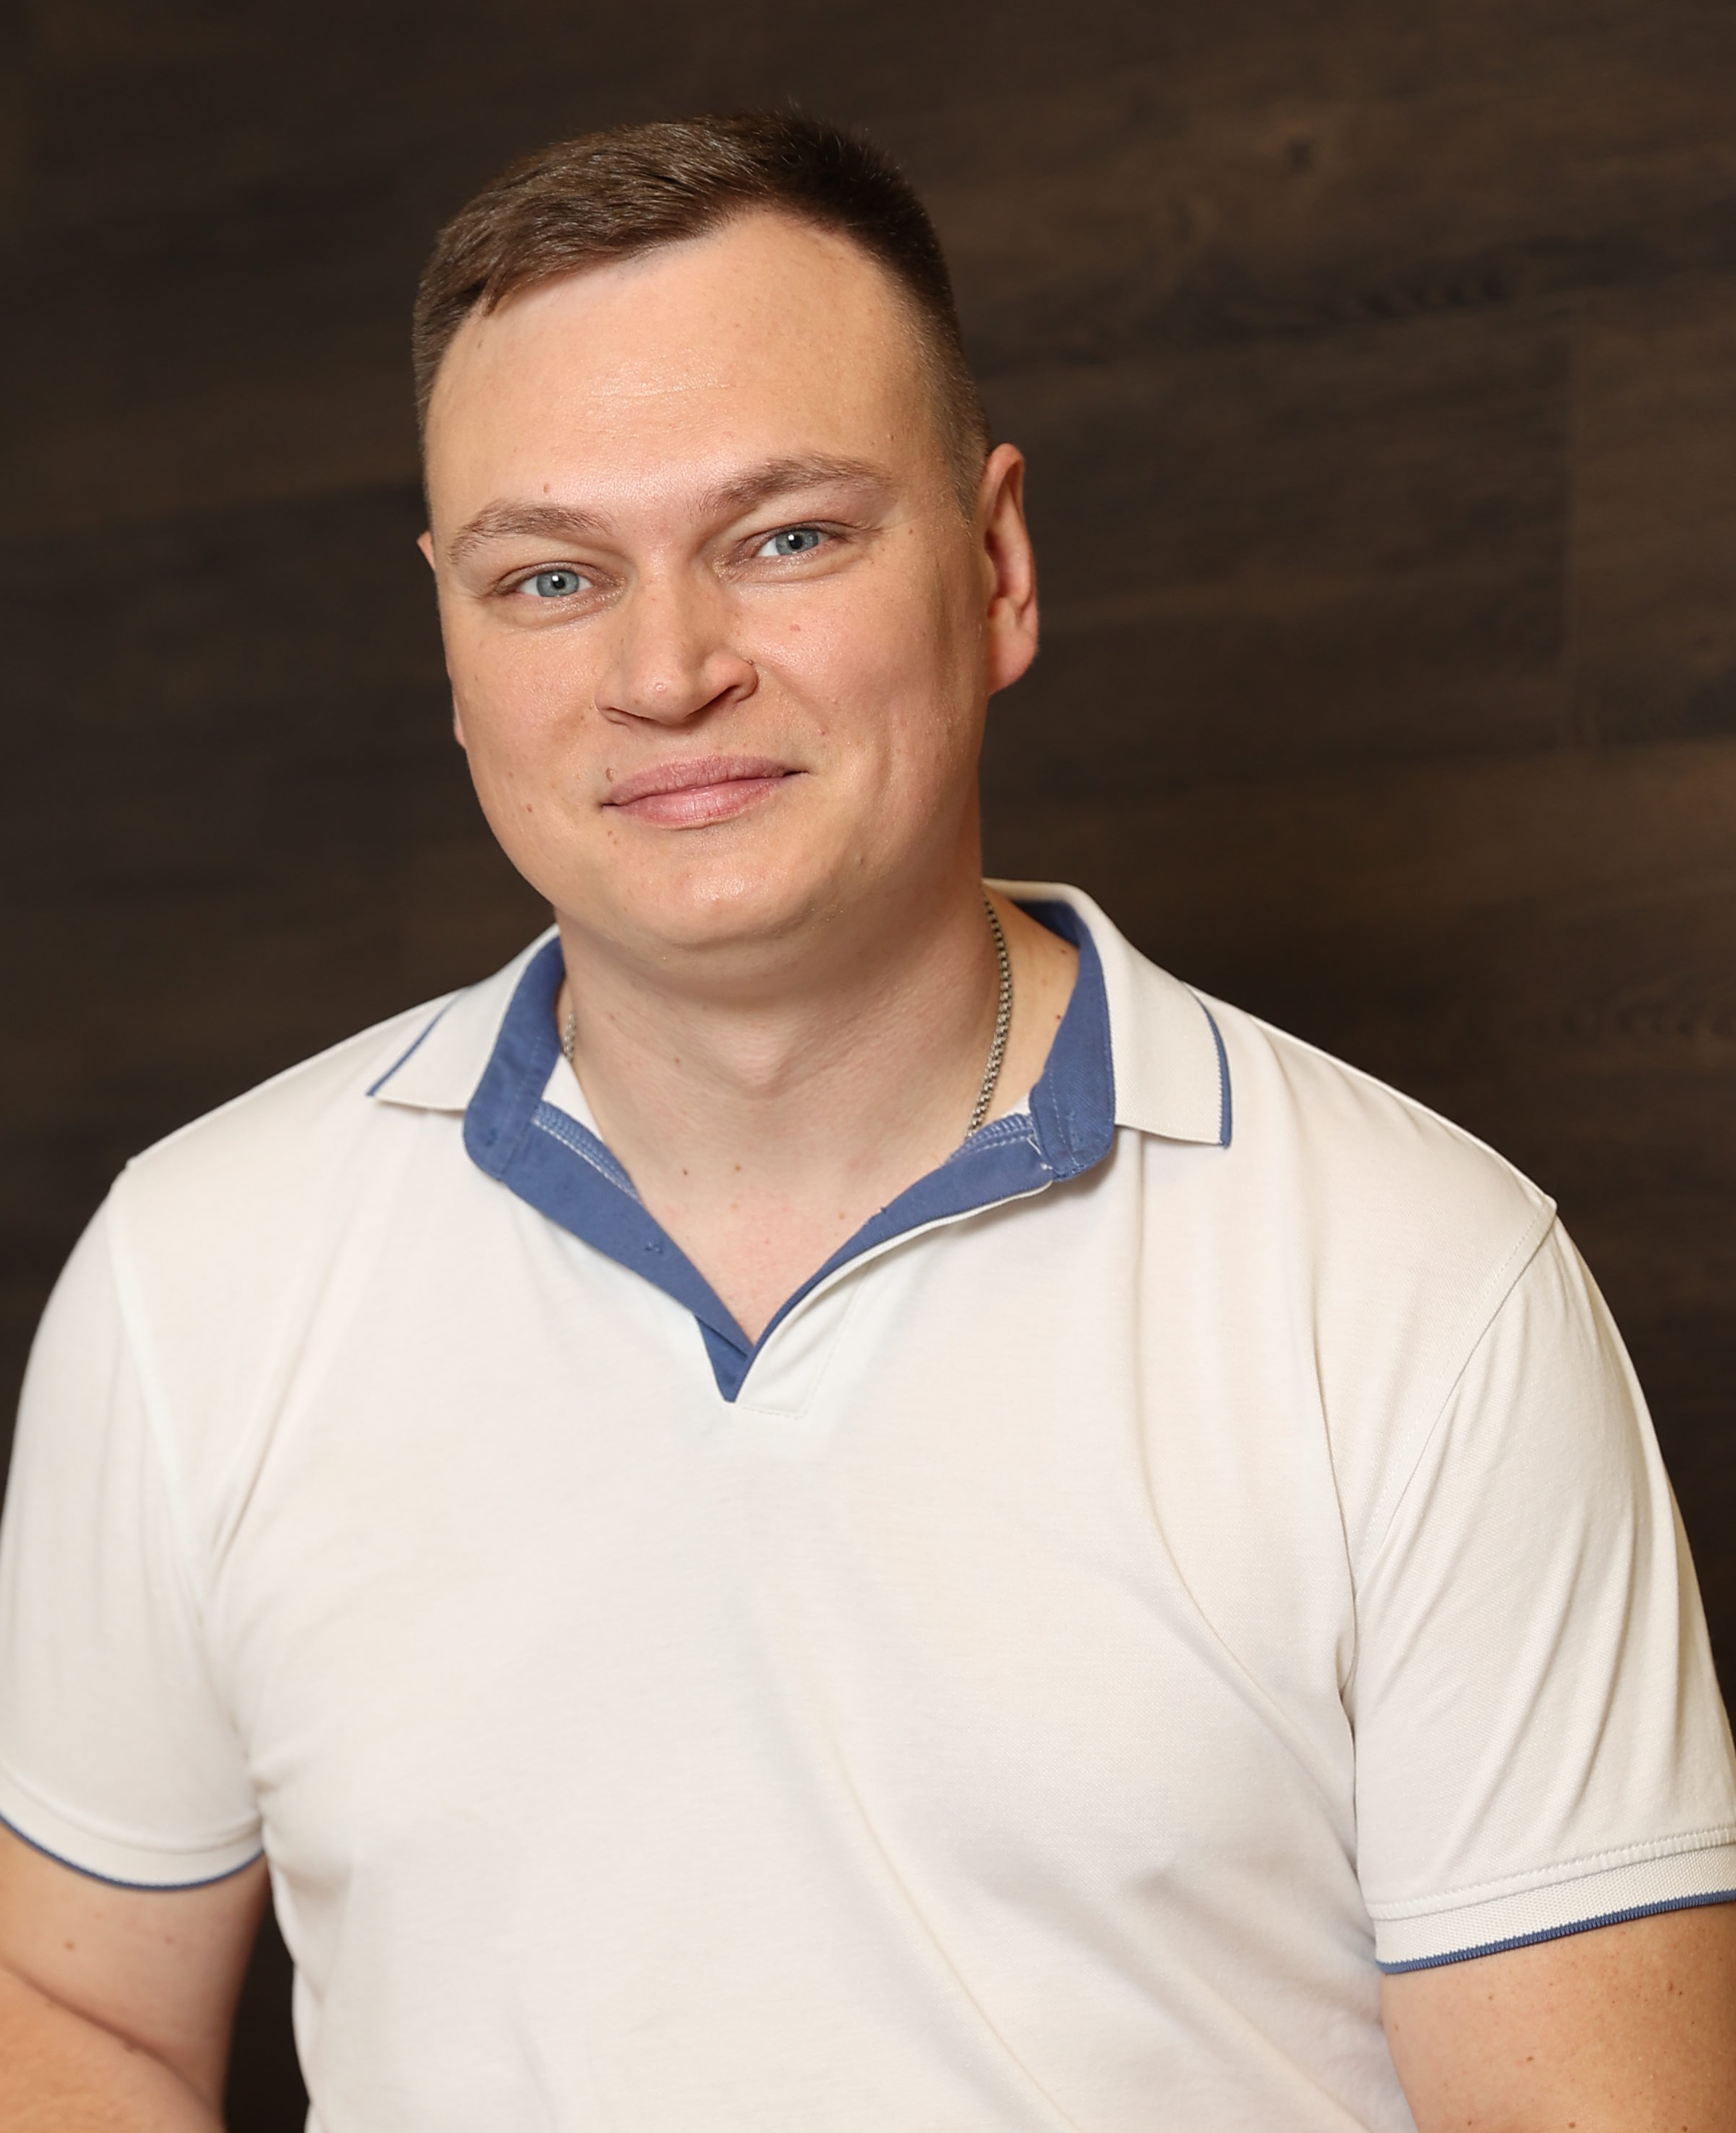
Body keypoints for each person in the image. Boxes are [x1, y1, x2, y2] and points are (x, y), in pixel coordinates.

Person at [1, 110, 1732, 2133]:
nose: (666, 671)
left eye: (788, 537)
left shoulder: (1426, 1285)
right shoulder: (194, 1274)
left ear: (995, 568)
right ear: (452, 645)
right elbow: (71, 2009)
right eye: (551, 575)